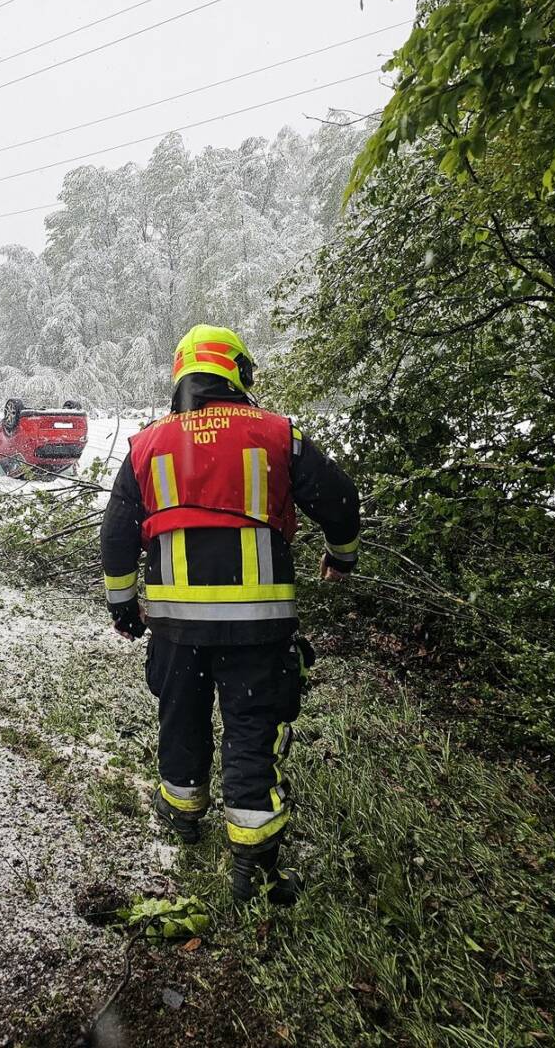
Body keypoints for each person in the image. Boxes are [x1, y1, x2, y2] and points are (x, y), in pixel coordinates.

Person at [99, 324, 360, 906]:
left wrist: (123, 605)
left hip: (176, 629)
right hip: (258, 630)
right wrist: (342, 555)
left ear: (181, 376)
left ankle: (182, 815)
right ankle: (253, 864)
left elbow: (116, 535)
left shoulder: (146, 445)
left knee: (181, 717)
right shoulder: (278, 434)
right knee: (252, 731)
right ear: (238, 373)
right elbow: (340, 499)